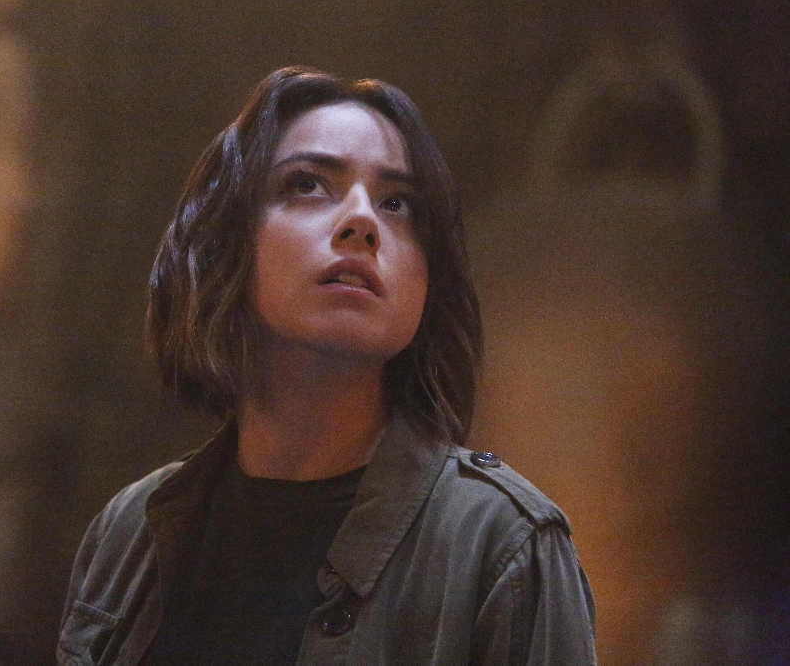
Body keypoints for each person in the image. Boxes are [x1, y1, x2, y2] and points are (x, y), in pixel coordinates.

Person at [57, 66, 597, 666]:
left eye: (398, 204)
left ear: (428, 280)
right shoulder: (130, 534)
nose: (362, 221)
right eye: (308, 184)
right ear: (226, 241)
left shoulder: (503, 545)